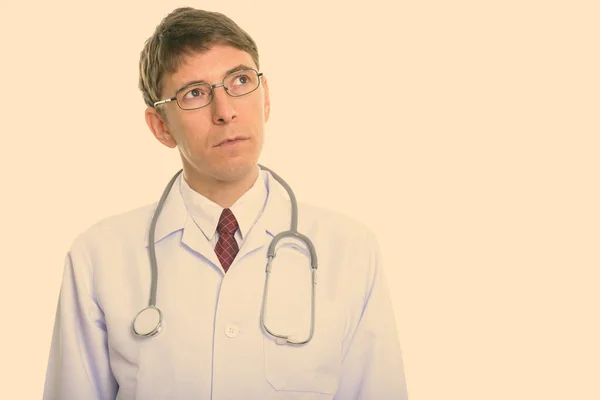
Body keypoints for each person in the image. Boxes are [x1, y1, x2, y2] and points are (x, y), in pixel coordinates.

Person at [42, 7, 408, 399]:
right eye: (195, 93)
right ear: (160, 126)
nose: (226, 111)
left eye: (239, 80)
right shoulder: (99, 257)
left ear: (265, 98)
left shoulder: (349, 251)